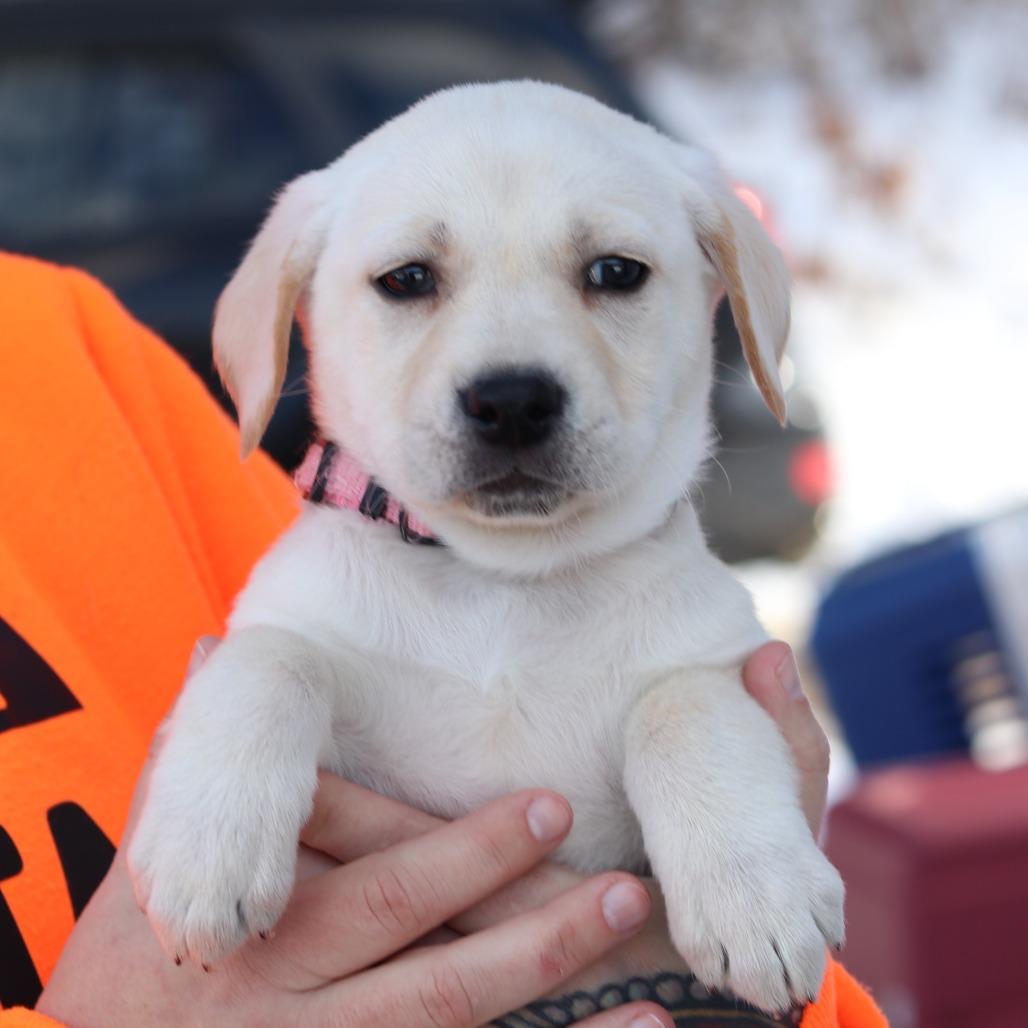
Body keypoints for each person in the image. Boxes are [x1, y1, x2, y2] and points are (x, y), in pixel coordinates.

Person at [0, 254, 885, 1027]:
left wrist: (745, 992)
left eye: (612, 273)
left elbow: (301, 649)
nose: (511, 370)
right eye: (411, 280)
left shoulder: (59, 345)